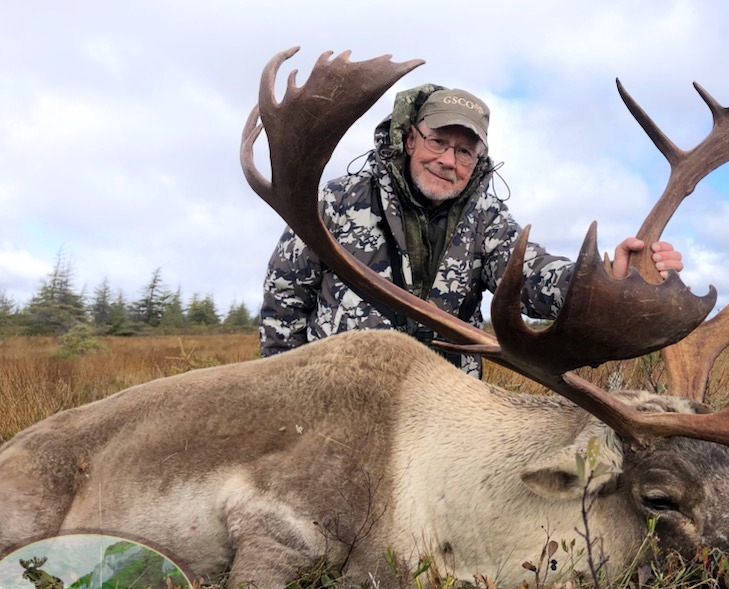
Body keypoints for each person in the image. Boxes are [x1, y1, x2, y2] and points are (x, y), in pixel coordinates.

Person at [259, 84, 683, 377]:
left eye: (465, 151)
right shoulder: (336, 201)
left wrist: (607, 278)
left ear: (478, 159)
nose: (448, 161)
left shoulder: (486, 220)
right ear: (410, 138)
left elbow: (533, 275)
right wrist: (282, 391)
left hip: (444, 412)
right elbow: (284, 299)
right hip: (338, 398)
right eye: (438, 142)